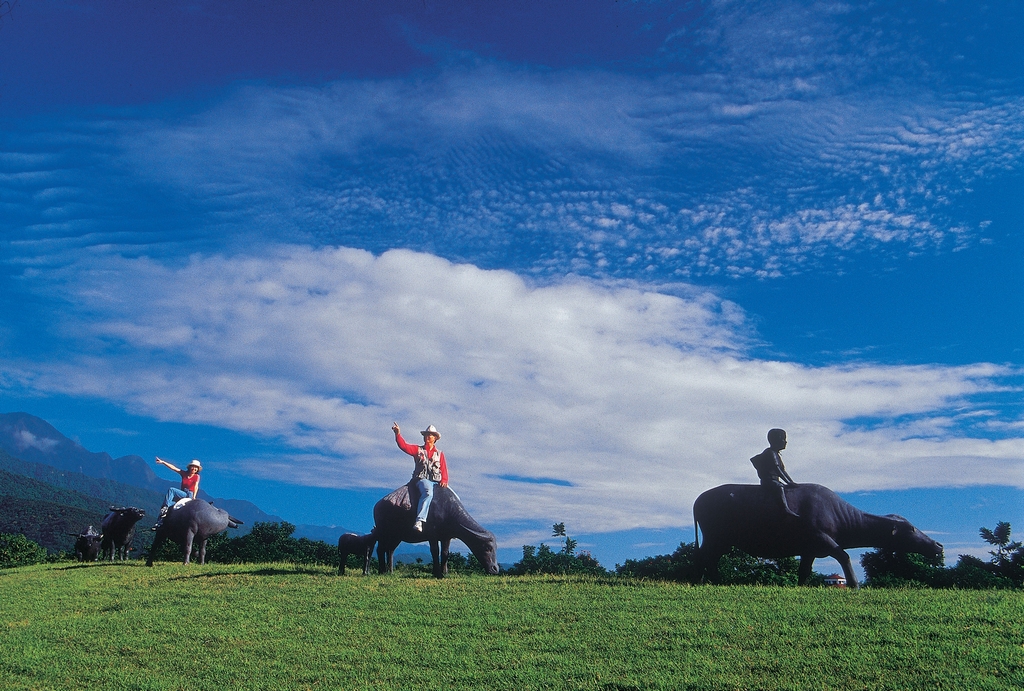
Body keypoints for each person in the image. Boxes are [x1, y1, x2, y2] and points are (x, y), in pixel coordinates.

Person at [392, 422, 448, 532]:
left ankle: (449, 525)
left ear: (435, 438)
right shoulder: (418, 450)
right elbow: (404, 446)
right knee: (428, 492)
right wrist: (398, 434)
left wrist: (444, 480)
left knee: (454, 497)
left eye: (430, 435)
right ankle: (419, 520)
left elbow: (444, 468)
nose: (427, 437)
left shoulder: (440, 454)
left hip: (436, 481)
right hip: (422, 480)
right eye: (426, 435)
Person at [749, 428, 799, 517]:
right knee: (779, 487)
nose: (785, 442)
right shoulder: (770, 453)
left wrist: (791, 482)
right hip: (769, 481)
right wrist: (788, 483)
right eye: (783, 439)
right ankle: (784, 509)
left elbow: (783, 471)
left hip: (775, 480)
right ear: (776, 440)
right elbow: (778, 470)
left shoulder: (776, 454)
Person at [154, 457, 202, 526]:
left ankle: (165, 507)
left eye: (196, 468)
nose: (194, 469)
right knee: (170, 505)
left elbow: (196, 486)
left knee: (172, 490)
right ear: (190, 467)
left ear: (197, 469)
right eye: (193, 467)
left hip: (189, 494)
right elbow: (173, 468)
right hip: (182, 493)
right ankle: (159, 522)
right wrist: (163, 462)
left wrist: (194, 497)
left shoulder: (196, 476)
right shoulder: (184, 473)